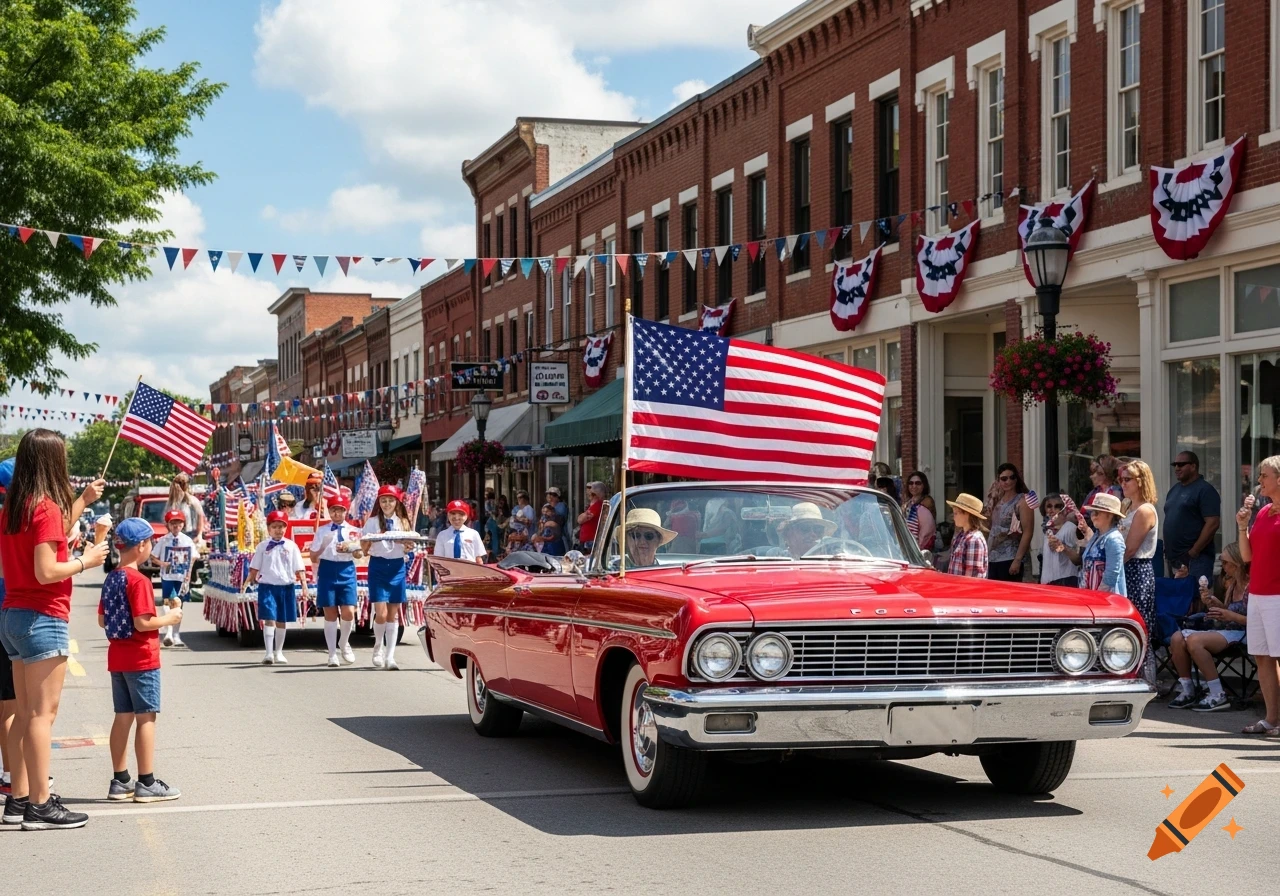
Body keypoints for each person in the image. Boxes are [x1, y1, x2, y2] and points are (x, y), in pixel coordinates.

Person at [0, 429, 109, 830]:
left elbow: (44, 537)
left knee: (25, 713)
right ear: (52, 461)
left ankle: (20, 799)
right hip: (42, 615)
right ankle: (41, 806)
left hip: (13, 614)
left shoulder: (14, 507)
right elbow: (46, 570)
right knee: (41, 716)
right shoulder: (43, 508)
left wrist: (81, 502)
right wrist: (87, 560)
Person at [98, 518, 182, 804]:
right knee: (146, 717)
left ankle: (120, 779)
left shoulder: (112, 578)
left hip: (117, 656)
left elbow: (102, 619)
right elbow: (143, 622)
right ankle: (146, 781)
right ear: (142, 545)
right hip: (142, 657)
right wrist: (170, 618)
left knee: (123, 717)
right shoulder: (139, 580)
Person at [1168, 541, 1249, 711]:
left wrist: (1230, 615)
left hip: (1245, 633)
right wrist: (1212, 602)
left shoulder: (1251, 586)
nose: (1223, 566)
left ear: (1238, 563)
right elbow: (1227, 611)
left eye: (1226, 562)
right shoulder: (1232, 584)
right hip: (1229, 630)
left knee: (1195, 640)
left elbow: (1257, 621)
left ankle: (1217, 694)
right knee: (1177, 637)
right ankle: (1188, 689)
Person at [1237, 454, 1280, 737]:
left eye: (1264, 475)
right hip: (1259, 594)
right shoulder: (1264, 512)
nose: (1259, 480)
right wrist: (1242, 526)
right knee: (1263, 657)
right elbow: (1247, 555)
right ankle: (1271, 719)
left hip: (1277, 596)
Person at [360, 486, 415, 670]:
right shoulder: (372, 522)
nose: (387, 504)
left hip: (397, 567)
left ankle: (390, 656)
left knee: (393, 614)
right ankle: (378, 647)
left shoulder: (403, 522)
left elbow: (409, 548)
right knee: (381, 613)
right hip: (378, 566)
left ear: (397, 502)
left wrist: (406, 544)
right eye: (383, 500)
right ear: (379, 502)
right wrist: (373, 539)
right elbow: (364, 548)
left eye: (391, 500)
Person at [245, 510, 308, 666]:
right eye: (275, 527)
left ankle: (279, 652)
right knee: (269, 618)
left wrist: (304, 585)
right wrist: (248, 580)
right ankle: (268, 653)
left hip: (286, 586)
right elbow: (254, 567)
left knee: (282, 620)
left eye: (281, 526)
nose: (278, 530)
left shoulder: (291, 546)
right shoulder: (262, 546)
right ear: (268, 528)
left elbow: (299, 568)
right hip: (267, 587)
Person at [309, 495, 364, 668]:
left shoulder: (354, 530)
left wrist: (352, 548)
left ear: (346, 511)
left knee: (348, 611)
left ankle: (344, 642)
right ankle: (331, 653)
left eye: (340, 510)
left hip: (346, 569)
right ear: (329, 511)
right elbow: (313, 557)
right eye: (333, 509)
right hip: (327, 570)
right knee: (330, 613)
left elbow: (360, 555)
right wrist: (323, 548)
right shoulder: (322, 530)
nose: (337, 513)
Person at [1117, 459, 1159, 682]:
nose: (1122, 483)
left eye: (1127, 479)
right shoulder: (1125, 505)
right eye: (1120, 479)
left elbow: (1131, 548)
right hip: (1124, 568)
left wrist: (1111, 570)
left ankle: (1146, 681)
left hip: (1136, 570)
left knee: (1138, 626)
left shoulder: (1145, 510)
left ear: (1141, 481)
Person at [1163, 450, 1221, 581]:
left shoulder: (1205, 490)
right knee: (1179, 599)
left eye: (1181, 464)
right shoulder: (1174, 490)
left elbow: (1213, 523)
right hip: (1174, 559)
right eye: (1175, 465)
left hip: (1196, 560)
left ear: (1194, 466)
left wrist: (1194, 552)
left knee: (1196, 597)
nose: (1177, 468)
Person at [154, 510, 196, 648]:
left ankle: (176, 634)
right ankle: (169, 632)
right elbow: (153, 556)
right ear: (168, 525)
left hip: (181, 577)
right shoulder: (163, 540)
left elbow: (193, 557)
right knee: (170, 602)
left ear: (183, 525)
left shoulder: (187, 540)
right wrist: (162, 564)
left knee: (179, 604)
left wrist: (189, 573)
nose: (176, 526)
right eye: (173, 523)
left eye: (179, 523)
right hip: (168, 576)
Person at [986, 463, 1034, 581]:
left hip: (1011, 556)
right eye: (1004, 478)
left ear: (1017, 479)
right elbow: (989, 526)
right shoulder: (997, 501)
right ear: (998, 481)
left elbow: (1028, 532)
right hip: (993, 557)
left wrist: (1017, 560)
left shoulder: (1023, 501)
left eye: (1012, 477)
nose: (1008, 481)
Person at [1077, 493, 1128, 599]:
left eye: (1097, 512)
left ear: (1109, 515)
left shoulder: (1114, 539)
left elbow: (1111, 575)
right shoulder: (1096, 536)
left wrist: (1098, 597)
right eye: (1092, 512)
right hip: (1091, 598)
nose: (1093, 516)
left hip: (1107, 601)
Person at [1040, 496, 1081, 587]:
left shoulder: (1070, 528)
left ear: (1065, 510)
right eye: (1049, 506)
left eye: (1057, 506)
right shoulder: (1047, 531)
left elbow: (1079, 558)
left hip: (1066, 583)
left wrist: (1062, 547)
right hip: (1048, 584)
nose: (1052, 510)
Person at [945, 494, 988, 578]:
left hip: (965, 589)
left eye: (956, 513)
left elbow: (972, 578)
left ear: (967, 514)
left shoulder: (974, 540)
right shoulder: (961, 536)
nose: (953, 517)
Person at [433, 500, 486, 564]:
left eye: (461, 514)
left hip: (470, 571)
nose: (457, 517)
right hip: (449, 571)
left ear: (466, 516)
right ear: (448, 515)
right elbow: (438, 559)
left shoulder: (474, 534)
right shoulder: (442, 535)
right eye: (453, 513)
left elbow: (479, 559)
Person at [901, 472, 937, 554]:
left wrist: (917, 551)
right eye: (911, 483)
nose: (914, 486)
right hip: (907, 548)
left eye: (918, 483)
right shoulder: (907, 503)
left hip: (919, 551)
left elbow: (926, 533)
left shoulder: (927, 502)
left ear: (923, 485)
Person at [164, 473, 206, 541]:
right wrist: (199, 535)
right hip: (186, 536)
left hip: (189, 537)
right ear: (186, 486)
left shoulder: (171, 503)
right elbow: (200, 518)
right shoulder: (193, 501)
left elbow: (200, 517)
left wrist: (199, 535)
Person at [576, 482, 607, 552]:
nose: (589, 495)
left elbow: (580, 520)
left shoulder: (598, 505)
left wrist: (582, 516)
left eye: (592, 494)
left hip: (590, 541)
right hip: (588, 540)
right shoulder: (593, 506)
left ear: (597, 495)